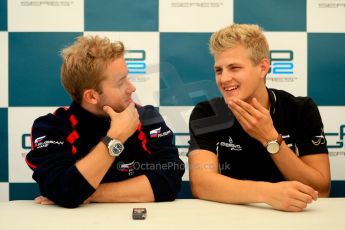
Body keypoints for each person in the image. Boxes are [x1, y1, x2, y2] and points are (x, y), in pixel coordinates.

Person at [25, 35, 185, 208]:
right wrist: (116, 137)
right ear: (92, 96)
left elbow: (169, 181)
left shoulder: (147, 117)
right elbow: (63, 189)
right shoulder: (51, 128)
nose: (132, 88)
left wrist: (90, 192)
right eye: (121, 82)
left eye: (127, 78)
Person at [188, 24, 330, 212]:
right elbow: (201, 184)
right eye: (219, 70)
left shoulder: (301, 109)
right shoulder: (207, 112)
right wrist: (268, 193)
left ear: (262, 68)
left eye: (234, 68)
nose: (223, 79)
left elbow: (321, 189)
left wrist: (270, 138)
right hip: (229, 218)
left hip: (292, 218)